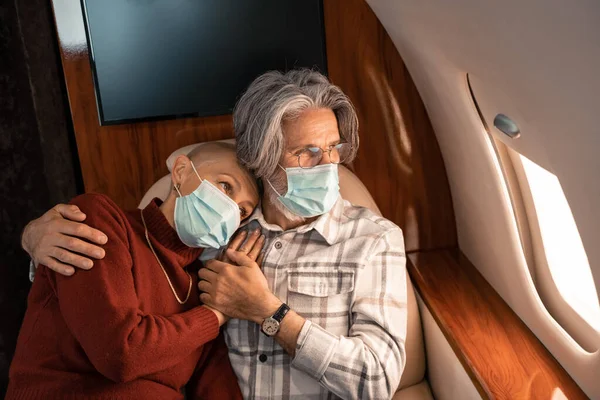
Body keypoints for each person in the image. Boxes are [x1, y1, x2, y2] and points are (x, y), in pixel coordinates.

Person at [22, 69, 408, 399]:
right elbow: (122, 304)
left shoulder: (373, 239)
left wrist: (268, 312)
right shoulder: (217, 239)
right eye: (306, 152)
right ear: (263, 157)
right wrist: (34, 241)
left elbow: (377, 380)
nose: (328, 166)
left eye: (334, 149)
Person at [8, 142, 260, 399]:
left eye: (242, 210)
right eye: (226, 186)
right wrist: (215, 315)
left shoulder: (203, 285)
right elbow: (121, 354)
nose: (230, 209)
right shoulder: (100, 220)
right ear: (181, 171)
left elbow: (217, 386)